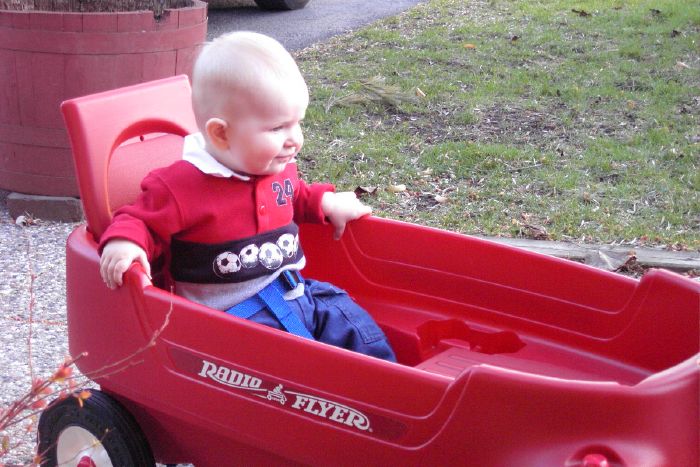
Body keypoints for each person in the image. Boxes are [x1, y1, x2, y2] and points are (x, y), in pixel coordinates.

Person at [98, 31, 396, 362]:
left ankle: (389, 384)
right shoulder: (179, 187)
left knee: (352, 323)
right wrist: (125, 242)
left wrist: (325, 202)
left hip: (295, 292)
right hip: (234, 322)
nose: (294, 139)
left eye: (297, 123)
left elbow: (293, 196)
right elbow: (139, 220)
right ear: (221, 133)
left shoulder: (275, 167)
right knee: (291, 361)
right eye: (277, 128)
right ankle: (321, 390)